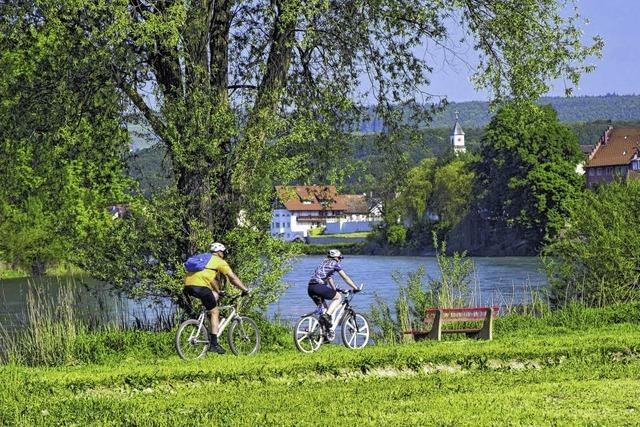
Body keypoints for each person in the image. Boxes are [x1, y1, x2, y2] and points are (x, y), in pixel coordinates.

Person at [183, 242, 250, 354]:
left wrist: (219, 291)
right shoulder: (219, 262)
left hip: (188, 286)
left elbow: (210, 279)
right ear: (219, 252)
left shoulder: (204, 259)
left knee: (214, 298)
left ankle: (208, 329)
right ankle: (214, 344)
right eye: (223, 252)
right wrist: (245, 289)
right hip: (201, 287)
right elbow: (232, 278)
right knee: (215, 311)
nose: (224, 254)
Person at [307, 249, 360, 338]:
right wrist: (355, 288)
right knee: (338, 298)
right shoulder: (335, 264)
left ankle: (324, 334)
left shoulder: (323, 264)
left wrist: (334, 289)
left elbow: (329, 278)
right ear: (336, 258)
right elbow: (345, 278)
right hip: (319, 287)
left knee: (325, 309)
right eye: (340, 258)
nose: (340, 260)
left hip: (310, 288)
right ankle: (327, 316)